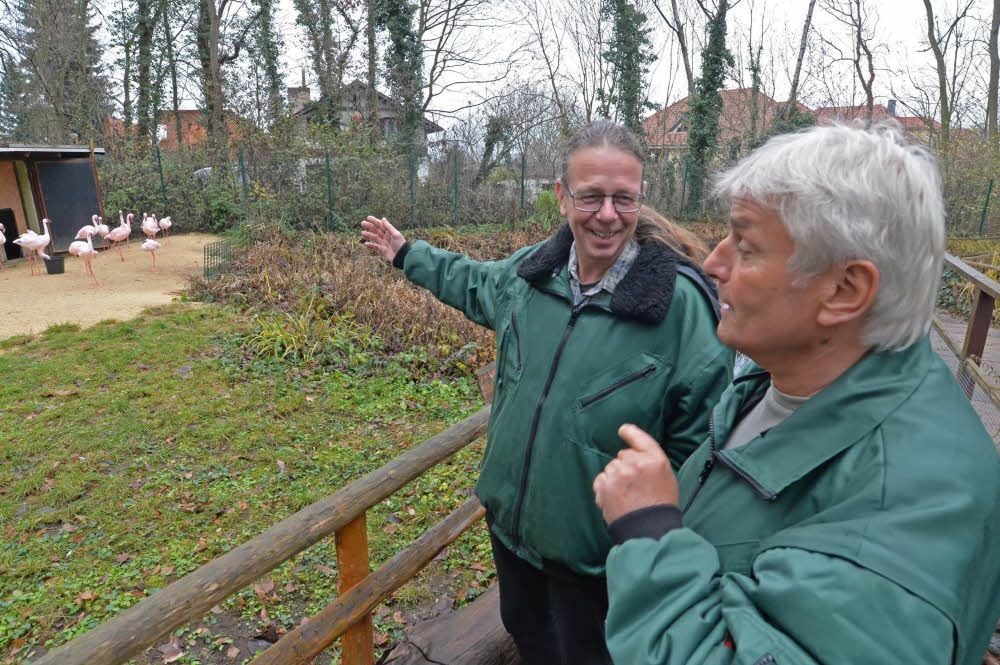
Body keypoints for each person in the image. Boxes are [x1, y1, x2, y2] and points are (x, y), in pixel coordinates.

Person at [593, 122, 1000, 665]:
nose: (713, 264)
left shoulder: (898, 526)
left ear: (843, 291)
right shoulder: (793, 376)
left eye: (746, 244)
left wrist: (649, 533)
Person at [361, 120, 733, 665]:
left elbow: (701, 444)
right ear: (561, 197)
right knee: (529, 638)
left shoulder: (678, 307)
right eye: (590, 197)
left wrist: (646, 533)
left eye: (622, 199)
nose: (607, 215)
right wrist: (405, 253)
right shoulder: (532, 275)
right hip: (513, 537)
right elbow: (472, 281)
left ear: (640, 198)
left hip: (600, 563)